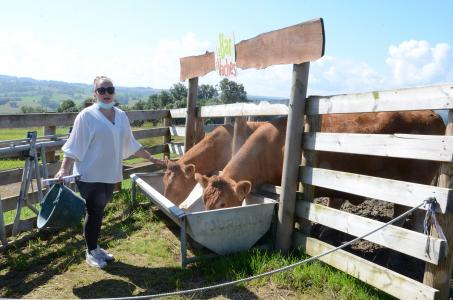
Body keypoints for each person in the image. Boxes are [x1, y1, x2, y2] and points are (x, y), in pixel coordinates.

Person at [55, 75, 164, 268]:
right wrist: (63, 169)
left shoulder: (121, 116)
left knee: (99, 211)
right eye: (102, 90)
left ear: (114, 92)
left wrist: (152, 158)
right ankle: (90, 252)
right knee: (94, 209)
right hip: (89, 174)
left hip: (110, 173)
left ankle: (95, 248)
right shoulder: (86, 116)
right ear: (95, 93)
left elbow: (131, 144)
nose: (106, 94)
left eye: (110, 90)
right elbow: (73, 146)